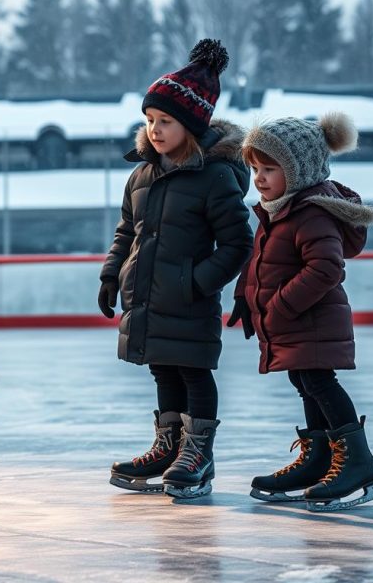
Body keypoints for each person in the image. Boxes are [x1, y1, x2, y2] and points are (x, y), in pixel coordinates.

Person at [99, 39, 253, 499]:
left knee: (193, 371)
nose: (155, 129)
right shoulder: (142, 174)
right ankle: (169, 445)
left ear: (191, 123)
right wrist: (111, 275)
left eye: (165, 121)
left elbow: (237, 242)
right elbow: (127, 229)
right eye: (150, 120)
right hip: (147, 297)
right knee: (163, 370)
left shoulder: (214, 176)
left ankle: (198, 453)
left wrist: (196, 283)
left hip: (186, 298)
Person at [230, 112, 373, 511]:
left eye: (269, 168)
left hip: (311, 320)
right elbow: (262, 260)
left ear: (298, 171)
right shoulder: (279, 210)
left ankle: (357, 462)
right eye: (254, 169)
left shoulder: (311, 213)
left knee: (319, 382)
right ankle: (319, 457)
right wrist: (243, 296)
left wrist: (279, 307)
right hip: (297, 321)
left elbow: (326, 268)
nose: (259, 178)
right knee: (305, 381)